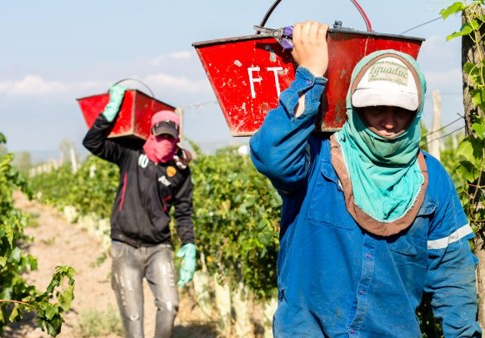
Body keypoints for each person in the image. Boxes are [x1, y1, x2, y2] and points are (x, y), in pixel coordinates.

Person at [249, 21, 481, 337]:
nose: (388, 122)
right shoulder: (317, 159)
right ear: (355, 108)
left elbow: (452, 270)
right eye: (376, 108)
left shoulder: (431, 178)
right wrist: (310, 76)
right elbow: (271, 156)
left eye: (401, 110)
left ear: (416, 112)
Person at [83, 84, 196, 338]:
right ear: (152, 133)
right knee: (133, 321)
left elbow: (184, 211)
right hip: (125, 247)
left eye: (170, 136)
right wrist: (108, 114)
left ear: (177, 137)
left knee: (169, 306)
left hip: (159, 248)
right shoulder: (130, 154)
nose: (165, 142)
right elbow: (91, 142)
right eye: (161, 135)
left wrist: (189, 245)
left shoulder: (179, 170)